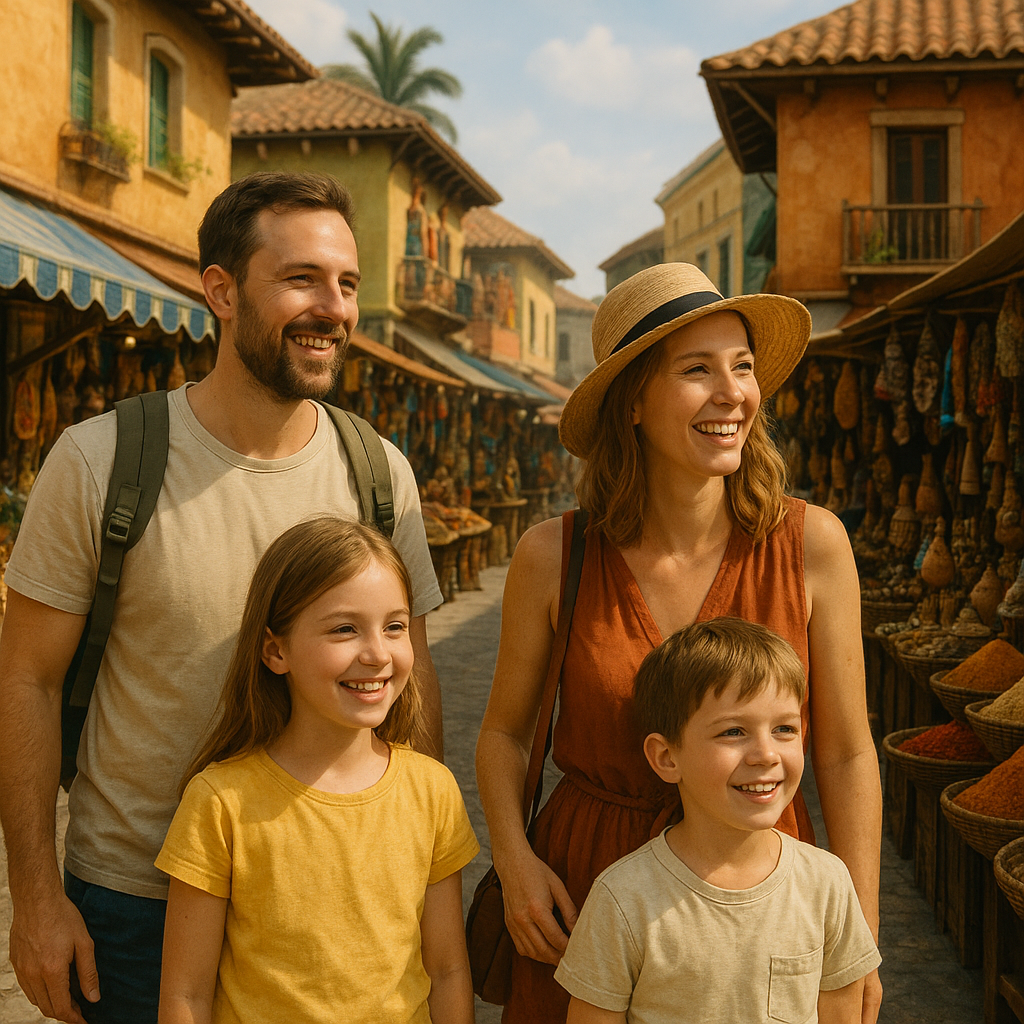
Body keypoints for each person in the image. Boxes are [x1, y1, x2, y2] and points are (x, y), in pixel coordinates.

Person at [0, 172, 445, 1024]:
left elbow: (411, 683)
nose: (333, 308)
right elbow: (25, 681)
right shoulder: (100, 462)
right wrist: (37, 898)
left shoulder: (379, 473)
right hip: (137, 903)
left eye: (347, 283)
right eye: (301, 279)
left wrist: (415, 874)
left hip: (332, 899)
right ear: (222, 292)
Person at [475, 263, 882, 1023]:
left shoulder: (812, 546)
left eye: (742, 367)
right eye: (697, 370)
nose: (732, 394)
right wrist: (514, 859)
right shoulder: (553, 556)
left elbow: (847, 752)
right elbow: (504, 733)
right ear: (632, 401)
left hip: (759, 890)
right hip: (583, 889)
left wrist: (858, 931)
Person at [157, 517, 477, 1024]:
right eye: (345, 629)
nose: (377, 653)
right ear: (275, 650)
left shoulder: (432, 791)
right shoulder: (220, 802)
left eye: (395, 626)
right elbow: (186, 996)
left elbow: (448, 970)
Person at [554, 617, 881, 1024]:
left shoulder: (827, 884)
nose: (766, 754)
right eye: (733, 732)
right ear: (667, 758)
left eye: (784, 728)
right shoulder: (623, 899)